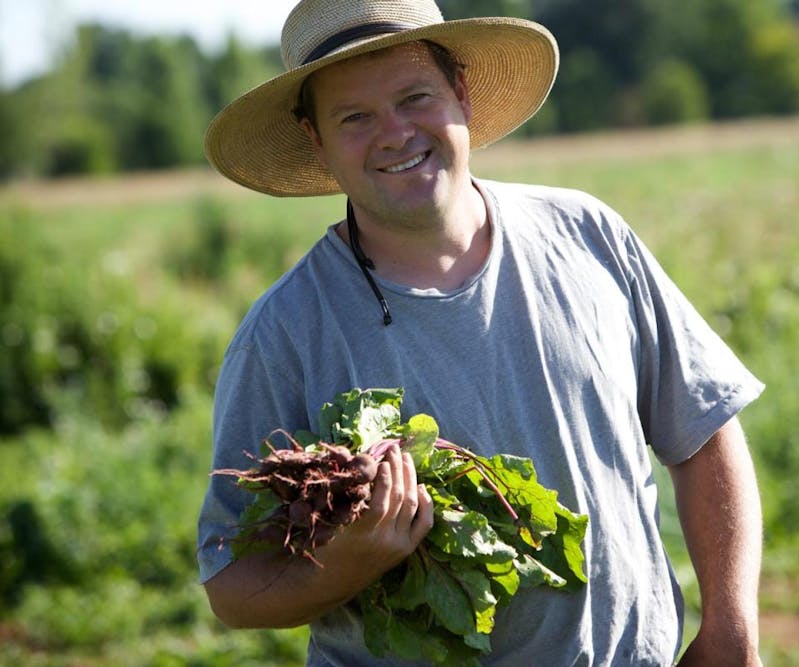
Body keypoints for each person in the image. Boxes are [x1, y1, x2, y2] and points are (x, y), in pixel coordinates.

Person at [197, 0, 766, 665]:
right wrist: (343, 563)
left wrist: (730, 625)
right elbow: (231, 585)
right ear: (316, 140)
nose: (395, 133)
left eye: (415, 97)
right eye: (355, 117)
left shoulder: (587, 235)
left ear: (461, 92)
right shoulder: (287, 333)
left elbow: (702, 429)